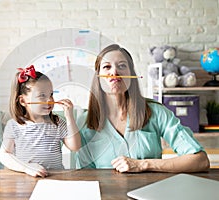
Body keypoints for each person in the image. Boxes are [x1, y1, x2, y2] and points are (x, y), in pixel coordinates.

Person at [76, 44, 210, 173]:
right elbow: (85, 177)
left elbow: (200, 160)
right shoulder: (85, 122)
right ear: (97, 78)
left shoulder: (156, 112)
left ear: (132, 75)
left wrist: (143, 164)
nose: (114, 72)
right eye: (107, 67)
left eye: (122, 66)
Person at [0, 65, 81, 177]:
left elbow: (75, 146)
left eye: (51, 94)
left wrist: (69, 116)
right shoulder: (14, 125)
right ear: (23, 101)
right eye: (42, 96)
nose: (50, 100)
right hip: (26, 180)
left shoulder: (57, 122)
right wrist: (26, 168)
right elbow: (4, 155)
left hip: (56, 180)